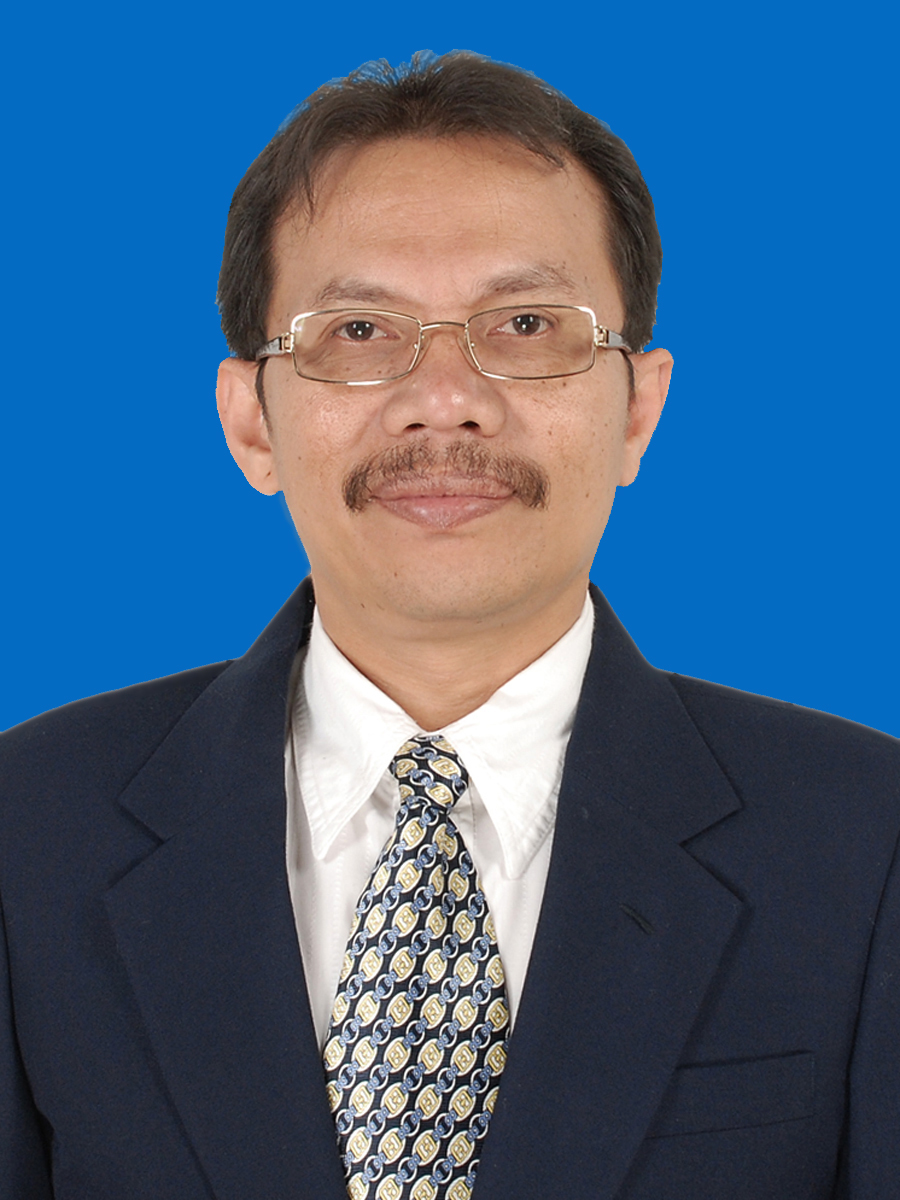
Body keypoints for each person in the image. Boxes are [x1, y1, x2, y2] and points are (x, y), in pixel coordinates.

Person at [1, 49, 898, 1200]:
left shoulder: (866, 841)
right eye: (358, 332)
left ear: (638, 409)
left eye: (525, 323)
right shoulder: (30, 830)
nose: (445, 401)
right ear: (251, 423)